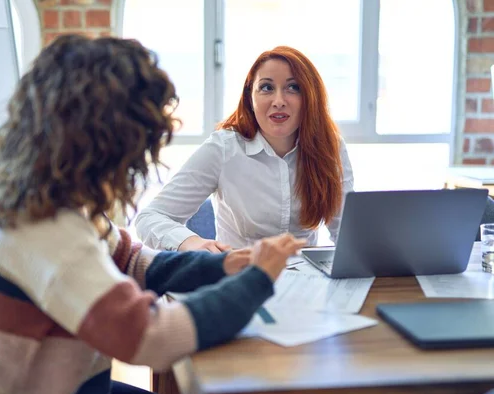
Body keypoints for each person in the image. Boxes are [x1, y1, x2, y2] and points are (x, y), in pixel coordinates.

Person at [0, 35, 306, 394]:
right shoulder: (48, 235)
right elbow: (152, 339)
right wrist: (257, 280)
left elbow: (133, 262)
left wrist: (226, 265)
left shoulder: (47, 200)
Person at [135, 46, 354, 253]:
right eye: (267, 87)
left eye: (293, 88)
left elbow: (348, 235)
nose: (279, 101)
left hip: (307, 282)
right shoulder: (223, 148)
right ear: (251, 97)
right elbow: (150, 217)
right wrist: (192, 242)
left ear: (310, 98)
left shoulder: (330, 146)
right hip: (240, 279)